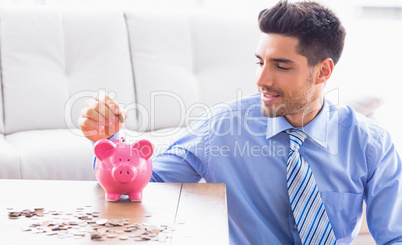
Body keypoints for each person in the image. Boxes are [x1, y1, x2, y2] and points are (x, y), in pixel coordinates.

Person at [79, 1, 402, 244]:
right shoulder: (221, 130)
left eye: (281, 66)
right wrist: (110, 143)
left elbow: (394, 236)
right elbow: (141, 185)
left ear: (323, 71)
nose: (262, 79)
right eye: (260, 62)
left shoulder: (370, 145)